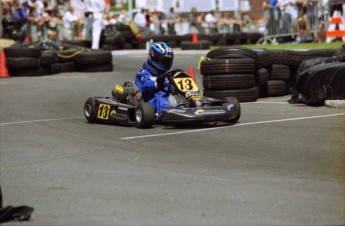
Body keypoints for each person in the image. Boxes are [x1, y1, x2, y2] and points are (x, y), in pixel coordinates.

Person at [135, 42, 174, 119]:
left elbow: (172, 88)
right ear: (154, 57)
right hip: (152, 101)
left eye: (169, 61)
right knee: (161, 100)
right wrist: (156, 84)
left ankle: (198, 104)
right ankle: (169, 113)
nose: (167, 63)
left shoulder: (168, 74)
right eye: (164, 61)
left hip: (169, 97)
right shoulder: (143, 74)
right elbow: (146, 87)